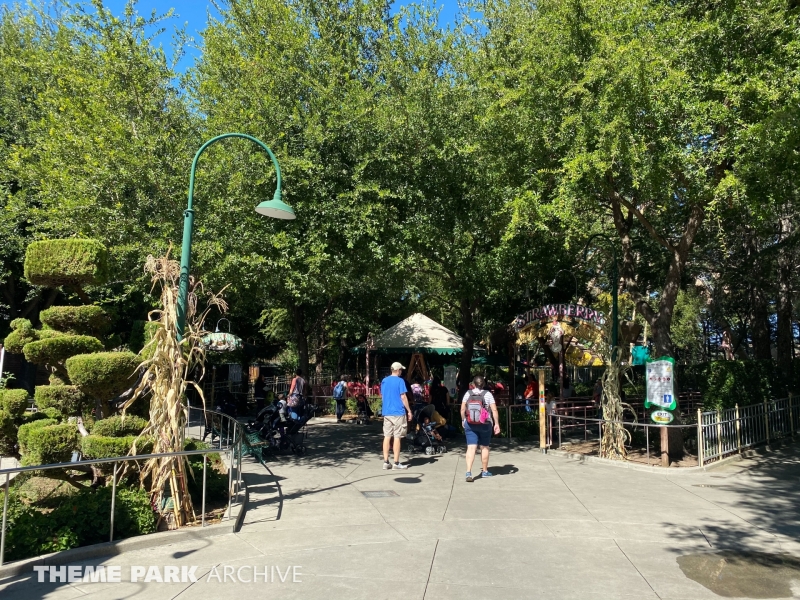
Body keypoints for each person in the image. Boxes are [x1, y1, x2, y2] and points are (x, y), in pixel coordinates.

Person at [461, 375, 500, 482]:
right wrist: (496, 423)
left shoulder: (468, 394)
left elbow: (462, 408)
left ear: (473, 384)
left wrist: (463, 420)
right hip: (485, 424)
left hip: (470, 423)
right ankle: (485, 471)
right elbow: (494, 410)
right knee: (485, 447)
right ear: (484, 384)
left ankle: (468, 472)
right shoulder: (488, 395)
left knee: (471, 448)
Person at [380, 362, 413, 470]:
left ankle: (385, 462)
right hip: (398, 411)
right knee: (397, 436)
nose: (401, 372)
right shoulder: (400, 381)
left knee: (387, 436)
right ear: (398, 370)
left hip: (387, 412)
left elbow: (383, 396)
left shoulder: (384, 381)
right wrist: (409, 411)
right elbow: (403, 396)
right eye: (401, 370)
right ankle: (396, 462)